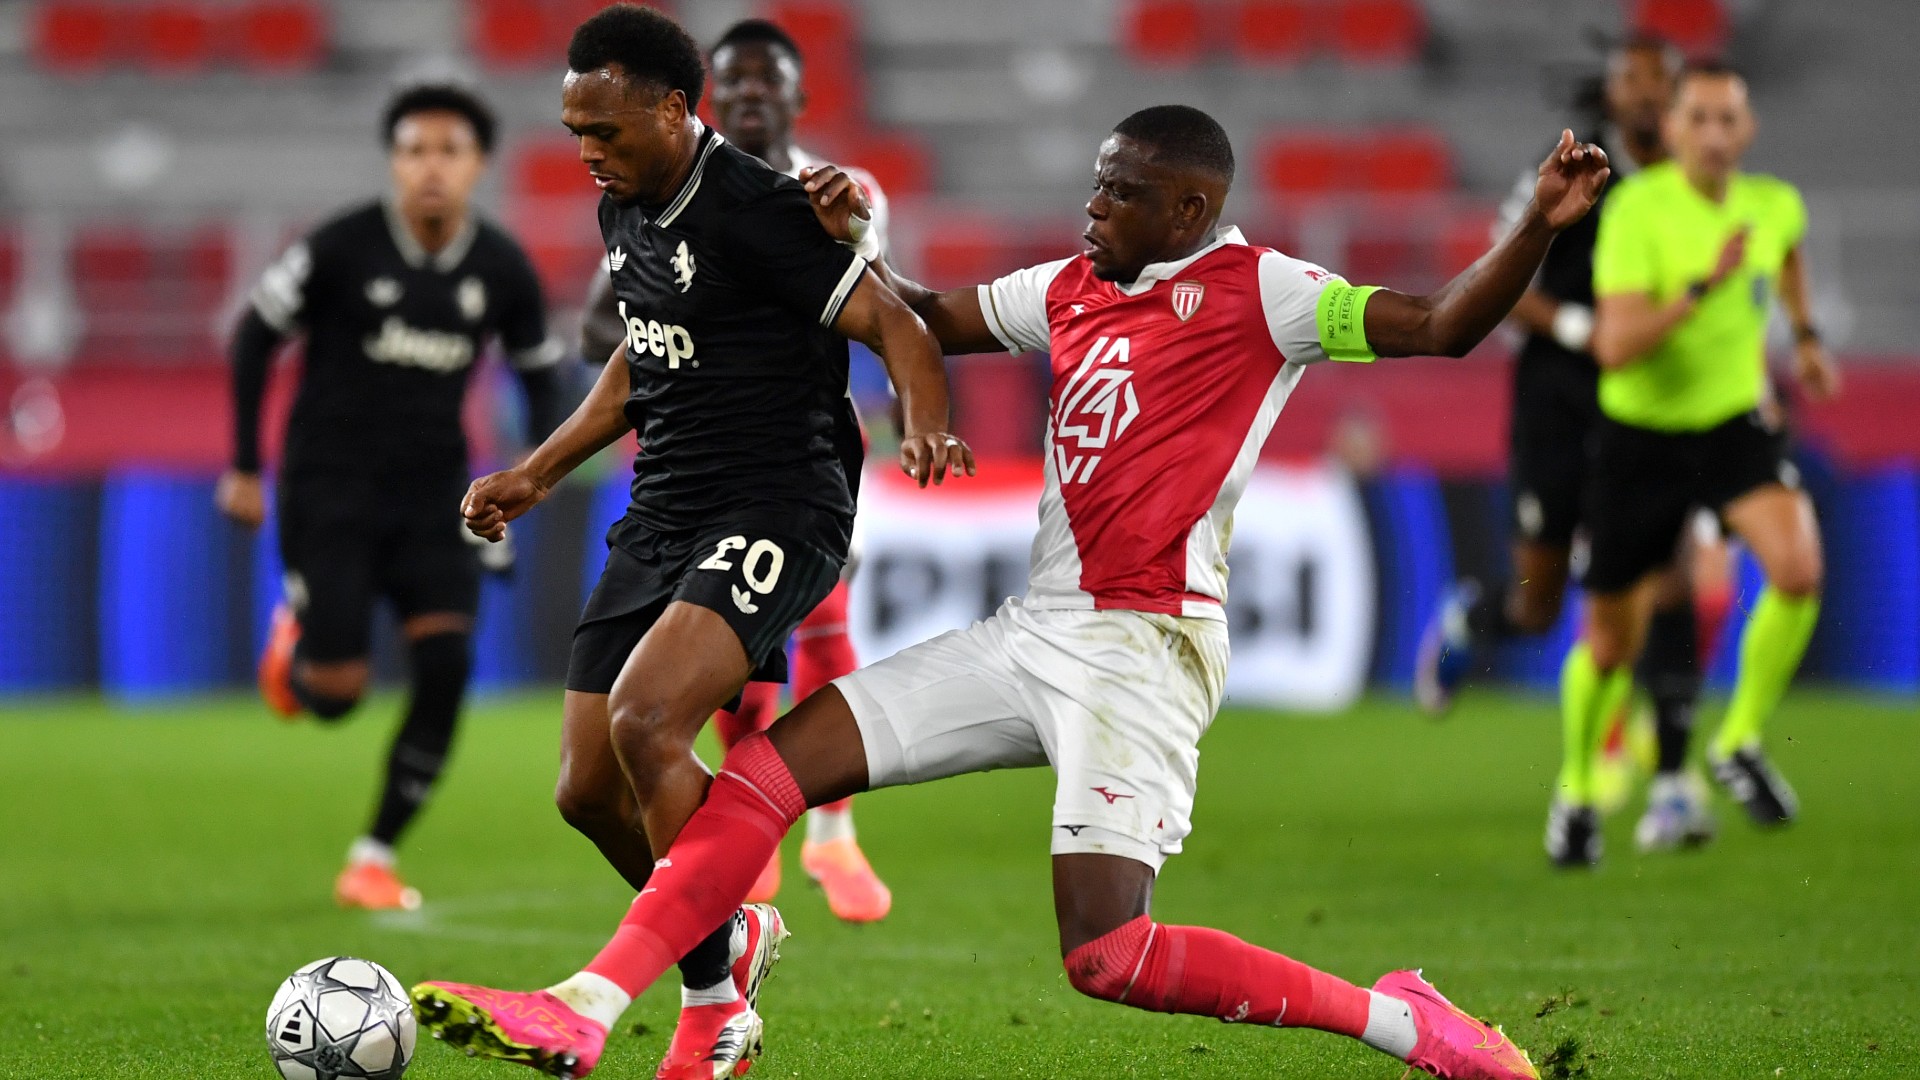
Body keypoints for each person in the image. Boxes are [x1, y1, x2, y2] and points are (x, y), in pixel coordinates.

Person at [411, 104, 1612, 1080]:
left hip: (1144, 650)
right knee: (767, 773)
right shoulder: (1073, 286)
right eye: (1094, 186)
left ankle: (1402, 1021)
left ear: (1189, 211)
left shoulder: (1268, 292)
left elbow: (1442, 326)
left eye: (1120, 194)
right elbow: (920, 318)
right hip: (1035, 631)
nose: (1093, 209)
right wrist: (854, 241)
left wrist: (1537, 231)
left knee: (1107, 955)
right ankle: (596, 1002)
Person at [442, 6, 968, 1077]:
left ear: (676, 110)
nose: (587, 152)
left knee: (648, 722)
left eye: (605, 130)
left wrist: (925, 423)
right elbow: (641, 355)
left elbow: (898, 324)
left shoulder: (761, 209)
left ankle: (712, 1007)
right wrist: (536, 473)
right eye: (575, 132)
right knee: (585, 791)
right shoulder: (623, 202)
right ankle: (728, 943)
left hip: (779, 501)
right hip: (666, 507)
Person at [216, 83, 566, 911]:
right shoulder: (341, 247)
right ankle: (297, 640)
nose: (431, 167)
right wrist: (245, 466)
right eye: (414, 151)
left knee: (447, 662)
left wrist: (529, 475)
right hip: (329, 490)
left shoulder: (502, 266)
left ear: (478, 165)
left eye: (449, 150)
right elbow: (254, 335)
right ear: (393, 163)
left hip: (437, 495)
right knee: (336, 697)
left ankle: (373, 856)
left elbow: (542, 379)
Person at [578, 17, 895, 924]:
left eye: (771, 79)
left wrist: (909, 410)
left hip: (798, 453)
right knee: (722, 676)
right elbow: (605, 323)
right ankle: (742, 835)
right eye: (739, 79)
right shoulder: (651, 189)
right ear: (706, 95)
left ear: (799, 96)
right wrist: (687, 333)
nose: (754, 92)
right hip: (689, 455)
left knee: (822, 618)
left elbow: (885, 304)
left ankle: (831, 833)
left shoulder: (838, 189)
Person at [1414, 36, 1722, 853]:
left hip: (1647, 404)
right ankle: (1473, 617)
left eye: (1663, 82)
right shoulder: (1571, 167)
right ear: (1610, 94)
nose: (1649, 95)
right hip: (1558, 399)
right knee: (1539, 606)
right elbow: (1502, 279)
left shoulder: (1694, 181)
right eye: (1635, 81)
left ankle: (1672, 786)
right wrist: (1584, 329)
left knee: (1669, 577)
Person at [1544, 62, 1838, 867]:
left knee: (1798, 569)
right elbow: (1615, 345)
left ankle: (1738, 741)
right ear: (1672, 129)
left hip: (1732, 427)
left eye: (1727, 119)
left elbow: (1786, 254)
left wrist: (1806, 337)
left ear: (1748, 129)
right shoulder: (1638, 210)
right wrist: (1703, 288)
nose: (1713, 134)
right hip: (1641, 438)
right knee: (1611, 644)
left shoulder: (1773, 204)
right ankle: (1577, 791)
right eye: (1698, 118)